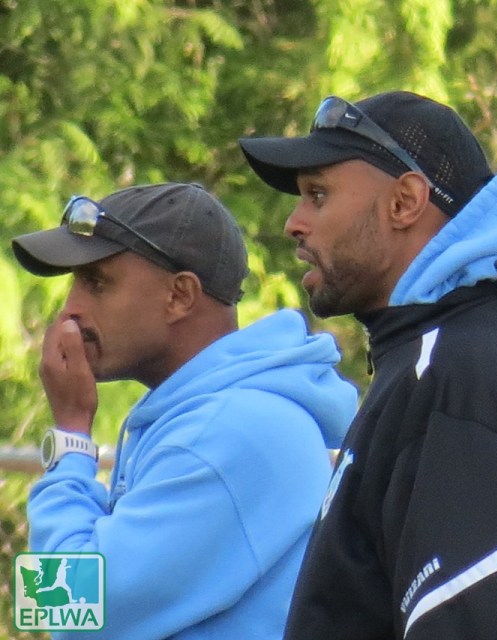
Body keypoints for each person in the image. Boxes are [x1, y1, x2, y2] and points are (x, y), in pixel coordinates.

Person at [239, 91, 497, 639]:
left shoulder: (455, 375)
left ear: (404, 202)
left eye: (319, 195)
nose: (294, 223)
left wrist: (68, 451)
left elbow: (77, 609)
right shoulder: (442, 357)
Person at [11, 182, 357, 639]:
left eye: (97, 283)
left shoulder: (226, 433)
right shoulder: (202, 417)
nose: (71, 311)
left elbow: (68, 611)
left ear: (179, 295)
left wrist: (72, 437)